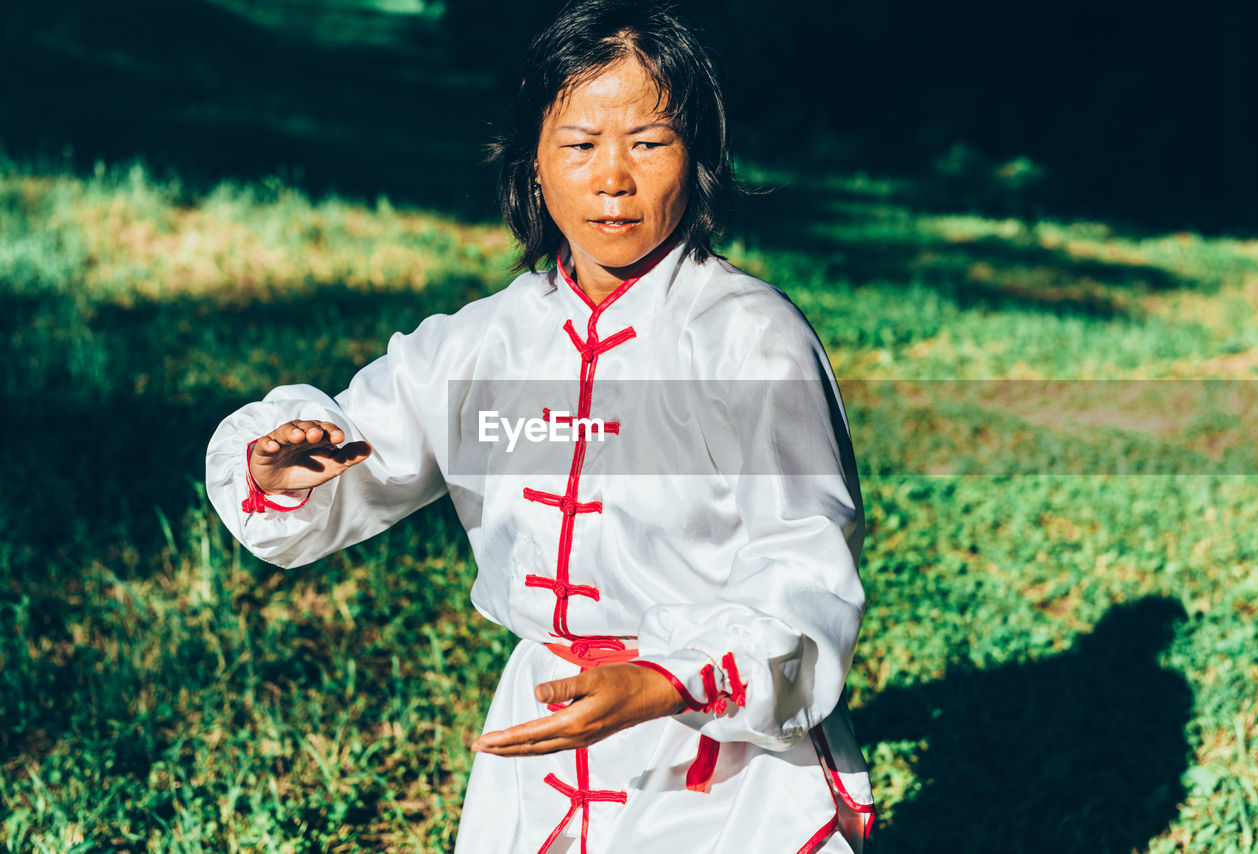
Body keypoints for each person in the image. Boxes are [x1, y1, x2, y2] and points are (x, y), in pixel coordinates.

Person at [205, 1, 874, 851]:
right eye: (580, 144)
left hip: (715, 748)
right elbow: (354, 442)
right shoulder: (483, 343)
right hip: (546, 727)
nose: (613, 178)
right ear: (532, 164)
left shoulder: (750, 339)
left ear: (698, 156)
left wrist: (671, 679)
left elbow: (804, 561)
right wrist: (281, 463)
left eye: (649, 141)